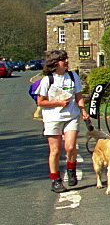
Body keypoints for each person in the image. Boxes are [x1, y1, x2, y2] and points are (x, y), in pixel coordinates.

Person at [37, 49, 89, 193]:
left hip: (71, 116)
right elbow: (40, 102)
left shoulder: (73, 76)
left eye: (66, 58)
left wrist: (83, 110)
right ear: (55, 63)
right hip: (52, 118)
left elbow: (78, 95)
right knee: (55, 150)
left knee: (71, 147)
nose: (66, 61)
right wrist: (58, 103)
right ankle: (56, 180)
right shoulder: (48, 80)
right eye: (63, 60)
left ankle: (71, 169)